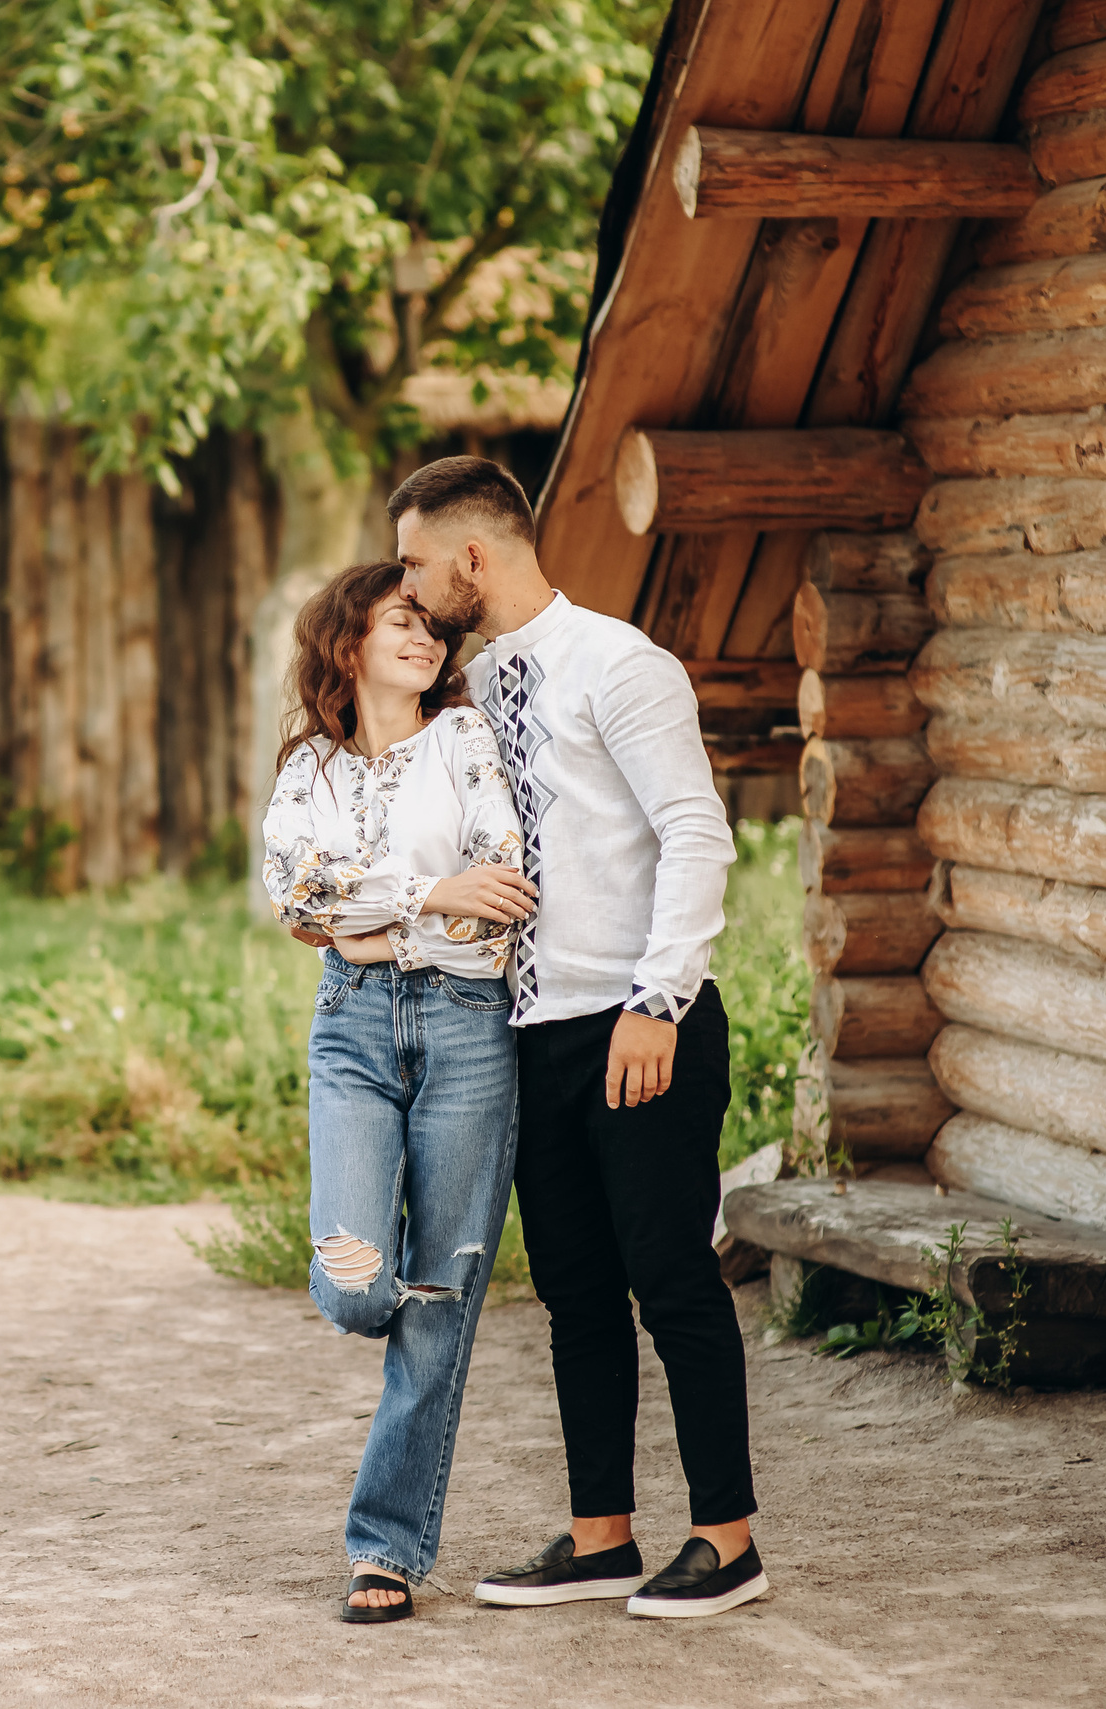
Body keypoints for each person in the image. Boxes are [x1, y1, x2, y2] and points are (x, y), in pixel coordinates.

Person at [391, 456, 766, 1620]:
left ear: (471, 556)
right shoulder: (462, 694)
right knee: (574, 1291)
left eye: (413, 562)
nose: (404, 589)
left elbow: (695, 833)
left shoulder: (619, 662)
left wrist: (660, 1000)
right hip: (529, 1031)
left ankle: (728, 1539)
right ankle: (602, 1532)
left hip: (634, 1020)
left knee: (670, 1276)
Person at [259, 559, 538, 1625]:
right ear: (348, 643)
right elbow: (294, 888)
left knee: (440, 1305)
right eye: (399, 621)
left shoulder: (465, 740)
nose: (423, 638)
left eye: (431, 626)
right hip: (355, 1028)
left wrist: (369, 905)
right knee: (357, 1290)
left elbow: (499, 886)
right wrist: (423, 890)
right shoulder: (309, 769)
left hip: (467, 1033)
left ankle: (384, 1548)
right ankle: (413, 1299)